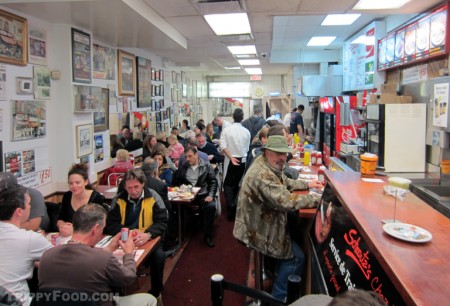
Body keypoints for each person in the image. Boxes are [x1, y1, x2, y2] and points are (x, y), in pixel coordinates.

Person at [233, 135, 322, 301]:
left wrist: (306, 185)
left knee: (293, 231)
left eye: (284, 154)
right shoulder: (263, 175)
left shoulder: (265, 163)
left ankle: (277, 277)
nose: (283, 157)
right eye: (278, 153)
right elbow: (286, 201)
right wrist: (318, 199)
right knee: (298, 257)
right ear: (267, 152)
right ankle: (277, 300)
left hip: (258, 220)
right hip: (256, 228)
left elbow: (284, 181)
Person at [38, 204, 157, 306]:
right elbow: (128, 277)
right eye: (102, 228)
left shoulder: (47, 256)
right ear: (95, 229)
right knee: (149, 299)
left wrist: (110, 248)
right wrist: (129, 254)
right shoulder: (103, 259)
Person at [105, 169, 168, 300]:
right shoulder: (118, 199)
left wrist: (148, 233)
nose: (133, 191)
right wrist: (128, 232)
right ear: (124, 186)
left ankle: (156, 290)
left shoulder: (154, 196)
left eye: (136, 187)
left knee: (159, 257)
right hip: (123, 238)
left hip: (148, 238)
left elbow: (162, 222)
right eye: (129, 188)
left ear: (143, 184)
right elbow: (110, 224)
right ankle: (115, 294)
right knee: (107, 258)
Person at [0, 172, 52, 306]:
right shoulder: (30, 239)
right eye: (28, 204)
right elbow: (60, 263)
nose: (30, 206)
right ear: (19, 211)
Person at [172, 147, 218, 247]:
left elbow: (213, 182)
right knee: (175, 206)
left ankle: (207, 235)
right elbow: (177, 182)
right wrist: (182, 189)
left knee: (210, 206)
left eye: (190, 156)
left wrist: (210, 195)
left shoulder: (206, 165)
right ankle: (180, 233)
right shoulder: (183, 167)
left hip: (202, 195)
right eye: (186, 157)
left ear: (196, 155)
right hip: (188, 196)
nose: (187, 159)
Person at [57, 163, 105, 237]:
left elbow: (98, 224)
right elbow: (61, 218)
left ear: (86, 182)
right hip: (68, 237)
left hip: (89, 237)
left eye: (77, 182)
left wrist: (75, 229)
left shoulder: (96, 197)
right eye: (71, 183)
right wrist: (62, 226)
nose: (74, 186)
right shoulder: (67, 196)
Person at [220, 108, 251, 221]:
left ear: (233, 117)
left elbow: (223, 146)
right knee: (237, 183)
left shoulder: (227, 130)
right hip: (242, 160)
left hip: (230, 159)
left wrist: (231, 157)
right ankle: (235, 204)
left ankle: (231, 205)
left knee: (227, 184)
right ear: (242, 118)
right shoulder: (246, 132)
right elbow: (247, 148)